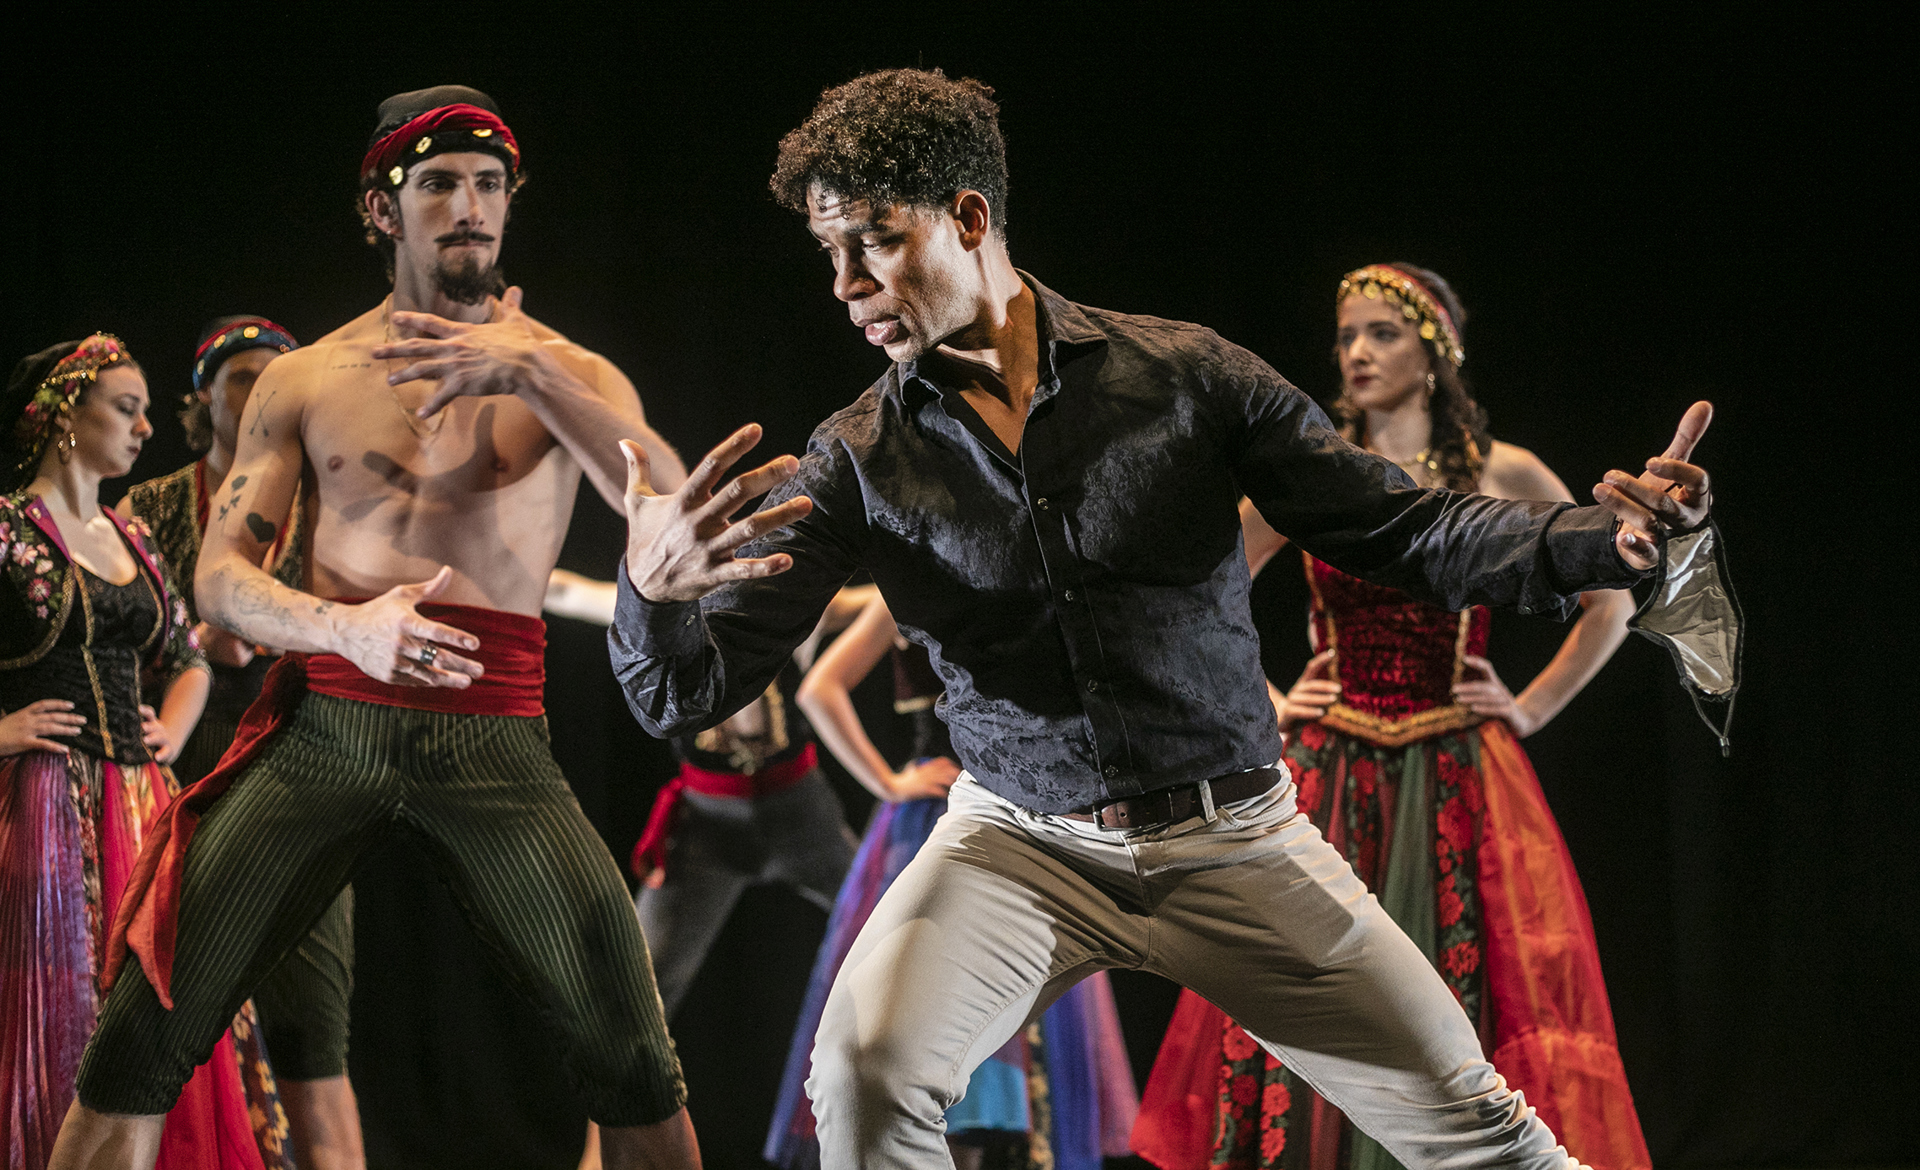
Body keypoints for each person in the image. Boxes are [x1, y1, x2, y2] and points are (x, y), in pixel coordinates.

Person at [606, 68, 1722, 1169]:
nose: (846, 284)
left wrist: (1596, 540)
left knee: (1478, 1127)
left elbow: (1405, 530)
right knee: (863, 1074)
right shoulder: (857, 457)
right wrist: (650, 594)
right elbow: (684, 688)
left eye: (875, 242)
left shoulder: (1187, 378)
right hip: (1019, 842)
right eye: (828, 254)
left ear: (970, 216)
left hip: (1232, 839)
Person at [49, 86, 699, 1170]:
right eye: (439, 184)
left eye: (490, 186)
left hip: (494, 737)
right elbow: (217, 580)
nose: (470, 207)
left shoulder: (568, 372)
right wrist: (343, 632)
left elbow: (670, 517)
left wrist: (528, 370)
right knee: (137, 1033)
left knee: (635, 1059)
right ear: (379, 208)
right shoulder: (307, 378)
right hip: (330, 725)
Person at [1130, 265, 1651, 1170]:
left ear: (1436, 350)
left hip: (1457, 770)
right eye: (1346, 337)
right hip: (1332, 770)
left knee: (1465, 995)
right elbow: (1201, 591)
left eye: (1382, 334)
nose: (1358, 353)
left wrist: (1528, 709)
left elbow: (1612, 592)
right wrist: (1278, 700)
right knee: (1312, 992)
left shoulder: (1498, 471)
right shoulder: (1317, 469)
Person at [1, 335, 290, 1169]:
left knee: (161, 999)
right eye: (126, 409)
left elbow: (189, 657)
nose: (144, 427)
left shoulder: (130, 538)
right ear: (64, 416)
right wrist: (4, 730)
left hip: (142, 801)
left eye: (145, 411)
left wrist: (171, 723)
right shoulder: (8, 531)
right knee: (60, 1000)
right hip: (43, 801)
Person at [766, 591, 1138, 1170]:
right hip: (941, 816)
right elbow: (820, 689)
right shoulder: (902, 586)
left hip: (1028, 808)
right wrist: (887, 781)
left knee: (1026, 1023)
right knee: (927, 1013)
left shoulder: (1029, 578)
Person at [120, 317, 367, 1170]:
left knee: (311, 1041)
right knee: (155, 1033)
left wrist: (278, 637)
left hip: (302, 769)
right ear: (202, 398)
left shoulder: (334, 507)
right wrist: (192, 640)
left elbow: (371, 633)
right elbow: (106, 630)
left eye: (275, 375)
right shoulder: (148, 507)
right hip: (179, 772)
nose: (260, 389)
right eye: (240, 376)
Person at [541, 571, 870, 1170]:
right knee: (636, 988)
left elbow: (867, 600)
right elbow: (562, 592)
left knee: (893, 935)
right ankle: (598, 1157)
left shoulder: (785, 613)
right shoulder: (666, 619)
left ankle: (936, 1134)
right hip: (707, 826)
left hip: (800, 812)